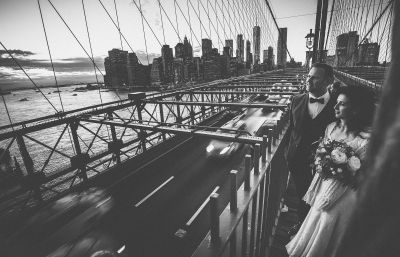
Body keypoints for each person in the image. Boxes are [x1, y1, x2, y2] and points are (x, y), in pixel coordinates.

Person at [286, 85, 375, 257]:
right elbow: (320, 152)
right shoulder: (331, 127)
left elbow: (368, 175)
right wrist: (322, 163)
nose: (335, 107)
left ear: (356, 109)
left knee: (329, 222)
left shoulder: (368, 139)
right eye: (336, 103)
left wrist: (346, 170)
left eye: (341, 104)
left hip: (348, 193)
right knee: (317, 216)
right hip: (324, 185)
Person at [285, 63, 336, 236]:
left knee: (322, 199)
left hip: (327, 165)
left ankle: (315, 230)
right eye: (308, 76)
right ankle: (301, 226)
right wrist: (288, 153)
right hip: (297, 161)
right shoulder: (296, 100)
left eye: (315, 77)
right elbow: (292, 130)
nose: (308, 80)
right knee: (301, 196)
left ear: (329, 80)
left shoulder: (339, 104)